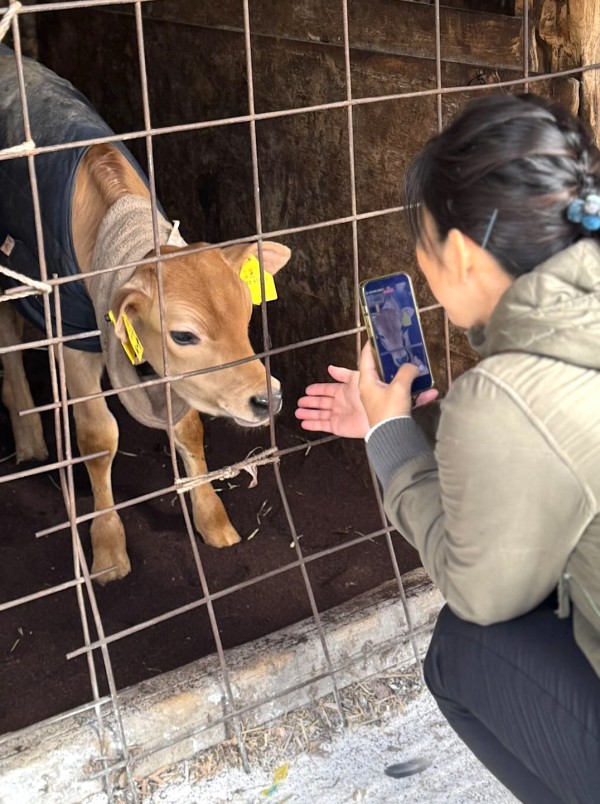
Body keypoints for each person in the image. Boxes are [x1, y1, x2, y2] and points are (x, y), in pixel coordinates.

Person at [295, 93, 600, 804]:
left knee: (464, 646)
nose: (419, 262)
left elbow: (483, 592)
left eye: (423, 243)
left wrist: (390, 438)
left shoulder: (505, 397)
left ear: (459, 254)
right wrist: (413, 423)